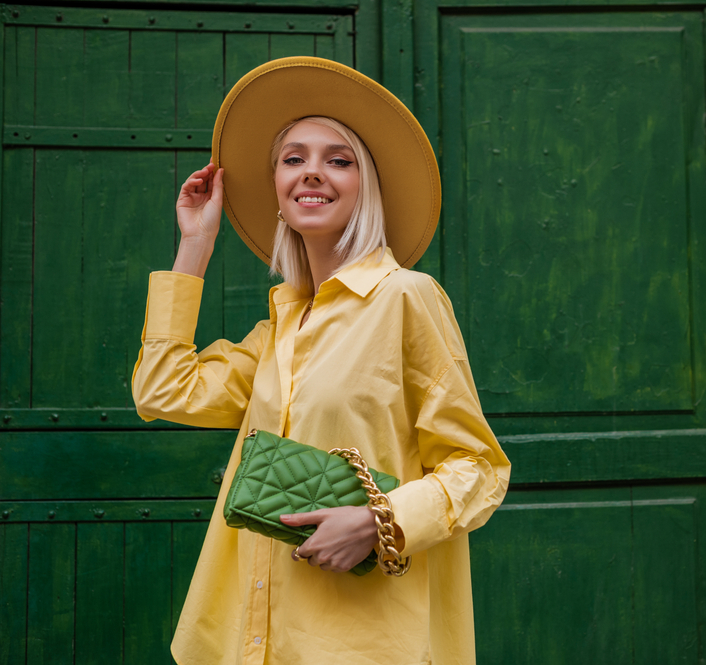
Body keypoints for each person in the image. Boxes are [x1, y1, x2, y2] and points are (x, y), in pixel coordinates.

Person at [131, 57, 510, 665]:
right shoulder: (280, 326)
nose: (313, 173)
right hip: (251, 637)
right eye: (293, 158)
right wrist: (196, 243)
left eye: (339, 160)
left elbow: (478, 468)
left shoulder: (406, 298)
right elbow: (163, 392)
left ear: (368, 187)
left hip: (362, 641)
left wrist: (380, 520)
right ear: (279, 189)